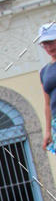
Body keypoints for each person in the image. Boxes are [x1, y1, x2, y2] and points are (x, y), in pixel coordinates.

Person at [39, 22, 56, 155]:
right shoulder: (44, 72)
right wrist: (48, 131)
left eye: (51, 42)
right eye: (45, 44)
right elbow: (47, 104)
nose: (48, 47)